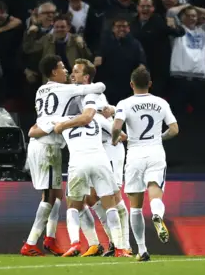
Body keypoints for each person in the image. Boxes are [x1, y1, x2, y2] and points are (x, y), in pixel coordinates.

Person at [20, 54, 105, 257]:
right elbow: (99, 87)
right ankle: (31, 243)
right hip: (47, 147)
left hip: (42, 144)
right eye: (62, 68)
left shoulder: (41, 89)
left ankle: (49, 239)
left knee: (57, 196)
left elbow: (49, 116)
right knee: (49, 197)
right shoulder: (66, 89)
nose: (67, 71)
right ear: (53, 72)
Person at [56, 59, 131, 257]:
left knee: (114, 198)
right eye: (71, 71)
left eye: (77, 72)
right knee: (89, 198)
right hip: (91, 149)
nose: (73, 75)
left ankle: (125, 245)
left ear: (86, 77)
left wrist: (116, 126)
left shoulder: (94, 94)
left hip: (108, 148)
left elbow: (106, 119)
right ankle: (102, 243)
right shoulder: (75, 95)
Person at [33, 113, 129, 258]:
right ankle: (120, 248)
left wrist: (59, 128)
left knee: (73, 206)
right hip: (100, 161)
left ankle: (75, 244)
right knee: (110, 205)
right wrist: (110, 140)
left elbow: (33, 132)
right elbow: (122, 135)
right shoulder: (96, 117)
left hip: (78, 163)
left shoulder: (60, 119)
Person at [112, 66, 180, 262]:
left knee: (135, 206)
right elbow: (174, 129)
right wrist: (160, 137)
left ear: (131, 84)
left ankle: (142, 250)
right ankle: (157, 214)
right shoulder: (160, 102)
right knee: (154, 189)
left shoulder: (124, 103)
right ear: (150, 84)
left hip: (134, 154)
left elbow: (117, 126)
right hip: (155, 151)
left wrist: (115, 139)